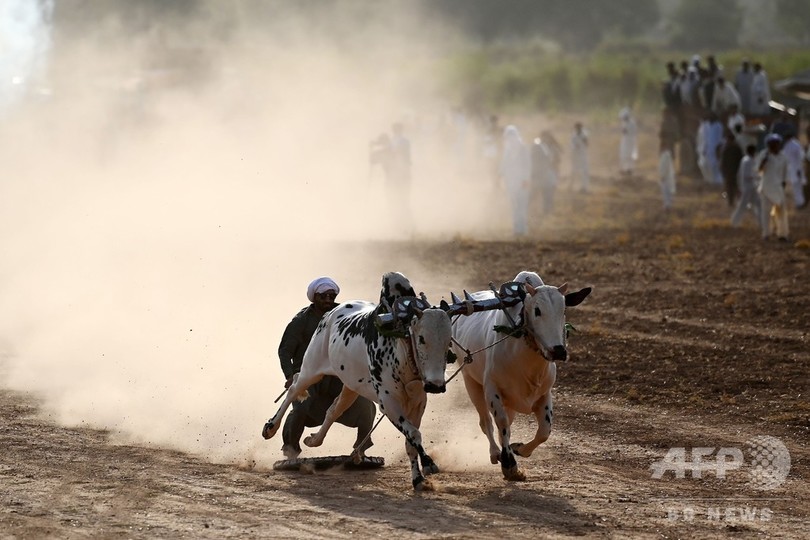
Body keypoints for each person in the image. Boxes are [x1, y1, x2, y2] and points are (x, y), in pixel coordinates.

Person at [277, 277, 376, 459]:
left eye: (332, 296)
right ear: (314, 297)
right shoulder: (300, 322)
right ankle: (290, 451)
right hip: (309, 379)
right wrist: (290, 376)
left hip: (338, 377)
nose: (329, 300)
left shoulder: (345, 316)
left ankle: (360, 449)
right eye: (324, 296)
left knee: (366, 405)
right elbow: (285, 351)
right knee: (299, 408)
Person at [757, 134, 790, 241]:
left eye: (776, 144)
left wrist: (783, 185)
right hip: (766, 188)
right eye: (771, 144)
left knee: (781, 212)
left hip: (778, 187)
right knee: (766, 213)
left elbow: (785, 173)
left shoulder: (783, 157)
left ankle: (782, 234)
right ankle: (766, 233)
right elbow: (758, 170)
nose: (774, 146)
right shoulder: (763, 155)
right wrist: (764, 161)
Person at [500, 125, 532, 236]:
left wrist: (525, 180)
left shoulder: (523, 148)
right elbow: (504, 165)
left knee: (521, 205)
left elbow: (527, 165)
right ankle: (516, 229)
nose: (510, 138)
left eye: (511, 135)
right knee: (514, 205)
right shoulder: (507, 149)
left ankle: (522, 230)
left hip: (522, 181)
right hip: (511, 182)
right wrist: (502, 177)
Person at [731, 144, 761, 228]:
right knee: (742, 205)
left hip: (751, 187)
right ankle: (734, 222)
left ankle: (761, 222)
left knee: (758, 204)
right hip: (747, 188)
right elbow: (746, 175)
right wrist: (757, 176)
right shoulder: (747, 161)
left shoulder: (747, 160)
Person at [531, 131, 558, 215]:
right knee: (534, 193)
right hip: (539, 173)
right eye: (544, 137)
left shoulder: (551, 147)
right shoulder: (538, 146)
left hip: (548, 173)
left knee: (548, 193)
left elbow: (554, 160)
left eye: (547, 137)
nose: (545, 139)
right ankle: (532, 209)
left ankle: (547, 210)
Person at [782, 131, 807, 209]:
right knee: (797, 187)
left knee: (797, 187)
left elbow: (800, 157)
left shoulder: (793, 145)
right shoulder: (792, 144)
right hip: (795, 169)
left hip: (796, 169)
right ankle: (799, 203)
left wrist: (799, 169)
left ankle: (800, 203)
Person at [719, 128, 743, 207]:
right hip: (732, 171)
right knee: (732, 187)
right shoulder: (734, 148)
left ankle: (734, 202)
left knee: (732, 187)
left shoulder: (730, 148)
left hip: (732, 171)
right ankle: (732, 202)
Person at [570, 122, 590, 193]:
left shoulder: (584, 135)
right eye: (577, 128)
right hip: (575, 156)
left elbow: (587, 144)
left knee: (584, 171)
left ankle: (584, 187)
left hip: (583, 156)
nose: (578, 129)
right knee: (573, 171)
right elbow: (571, 145)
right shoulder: (573, 135)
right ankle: (571, 186)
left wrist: (584, 141)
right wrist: (575, 147)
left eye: (579, 128)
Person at [619, 107, 638, 176]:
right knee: (625, 154)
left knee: (628, 155)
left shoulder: (631, 123)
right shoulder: (628, 122)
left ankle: (628, 169)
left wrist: (625, 131)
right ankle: (626, 169)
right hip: (628, 140)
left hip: (629, 140)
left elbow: (625, 131)